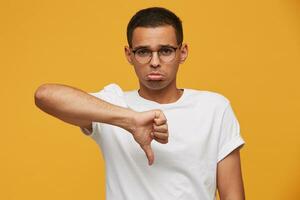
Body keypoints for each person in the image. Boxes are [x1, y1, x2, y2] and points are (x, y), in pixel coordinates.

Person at [34, 6, 245, 200]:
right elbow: (45, 95)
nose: (154, 62)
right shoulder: (114, 104)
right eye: (143, 52)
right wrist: (131, 120)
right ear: (129, 54)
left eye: (165, 50)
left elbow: (233, 196)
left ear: (182, 52)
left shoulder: (214, 108)